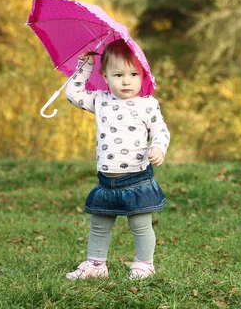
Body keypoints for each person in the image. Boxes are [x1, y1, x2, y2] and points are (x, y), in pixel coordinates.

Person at [64, 39, 170, 280]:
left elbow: (160, 131)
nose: (126, 80)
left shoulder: (147, 104)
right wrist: (84, 66)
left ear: (143, 74)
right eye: (118, 74)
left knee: (140, 225)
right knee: (99, 225)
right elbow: (73, 94)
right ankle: (96, 264)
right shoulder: (100, 100)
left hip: (137, 180)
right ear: (105, 75)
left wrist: (158, 147)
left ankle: (144, 264)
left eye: (133, 74)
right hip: (106, 181)